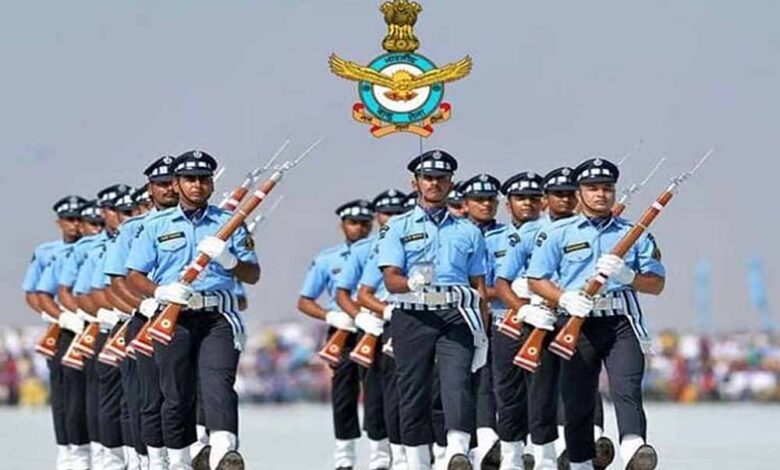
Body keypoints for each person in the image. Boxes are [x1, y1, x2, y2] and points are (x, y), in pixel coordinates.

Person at [526, 157, 665, 470]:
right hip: (576, 322)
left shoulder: (635, 233)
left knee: (627, 387)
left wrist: (629, 277)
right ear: (579, 193)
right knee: (577, 398)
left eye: (607, 188)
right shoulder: (558, 233)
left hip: (620, 323)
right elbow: (536, 279)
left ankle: (634, 448)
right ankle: (580, 462)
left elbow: (656, 284)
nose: (601, 194)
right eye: (593, 188)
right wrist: (564, 297)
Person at [127, 150, 260, 469]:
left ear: (212, 184)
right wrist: (159, 291)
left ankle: (224, 452)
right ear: (176, 184)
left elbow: (252, 274)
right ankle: (179, 460)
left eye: (203, 179)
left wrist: (229, 260)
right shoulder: (156, 225)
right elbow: (134, 275)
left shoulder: (229, 223)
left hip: (218, 317)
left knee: (218, 383)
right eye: (190, 179)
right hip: (173, 318)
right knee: (175, 393)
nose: (197, 185)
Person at [377, 149, 489, 470]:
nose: (435, 183)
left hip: (457, 314)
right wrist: (410, 283)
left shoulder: (468, 230)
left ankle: (457, 452)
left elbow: (479, 285)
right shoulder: (397, 227)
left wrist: (482, 334)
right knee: (413, 389)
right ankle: (417, 461)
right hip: (413, 313)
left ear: (451, 182)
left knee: (457, 381)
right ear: (415, 183)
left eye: (441, 178)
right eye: (428, 178)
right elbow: (390, 279)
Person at [104, 155, 179, 470]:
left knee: (184, 393)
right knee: (146, 396)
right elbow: (117, 280)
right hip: (146, 318)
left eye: (173, 182)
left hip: (188, 317)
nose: (169, 189)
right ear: (150, 188)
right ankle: (149, 459)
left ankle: (186, 456)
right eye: (162, 184)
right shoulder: (135, 228)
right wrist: (141, 305)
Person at [297, 199, 374, 470]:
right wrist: (330, 315)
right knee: (343, 392)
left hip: (375, 326)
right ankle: (345, 455)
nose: (359, 228)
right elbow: (305, 300)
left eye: (364, 223)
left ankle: (382, 452)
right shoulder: (326, 259)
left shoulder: (380, 252)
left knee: (379, 391)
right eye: (353, 222)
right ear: (342, 225)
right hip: (344, 329)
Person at [22, 195, 87, 470]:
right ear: (59, 222)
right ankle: (66, 448)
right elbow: (34, 292)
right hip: (62, 327)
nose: (75, 224)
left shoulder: (91, 247)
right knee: (63, 392)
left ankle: (90, 446)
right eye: (69, 219)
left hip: (93, 323)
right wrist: (54, 315)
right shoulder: (46, 252)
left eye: (80, 218)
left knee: (90, 391)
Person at [458, 173, 505, 469]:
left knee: (496, 380)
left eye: (490, 199)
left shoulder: (510, 236)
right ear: (465, 203)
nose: (485, 204)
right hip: (460, 316)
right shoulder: (455, 234)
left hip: (500, 318)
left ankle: (493, 441)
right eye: (478, 199)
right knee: (460, 383)